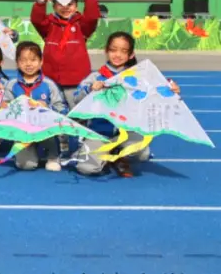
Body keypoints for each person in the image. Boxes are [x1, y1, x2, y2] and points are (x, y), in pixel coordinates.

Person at [74, 32, 181, 178]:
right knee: (87, 168)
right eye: (113, 50)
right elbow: (77, 98)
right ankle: (104, 154)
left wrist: (172, 90)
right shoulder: (96, 77)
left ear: (131, 55)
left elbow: (157, 89)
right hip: (100, 133)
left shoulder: (137, 78)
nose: (117, 55)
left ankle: (120, 154)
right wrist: (90, 89)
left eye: (123, 51)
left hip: (127, 132)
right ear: (106, 51)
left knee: (142, 154)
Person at [31, 0, 100, 110]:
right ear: (54, 6)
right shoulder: (49, 25)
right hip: (52, 81)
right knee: (53, 112)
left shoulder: (81, 25)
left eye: (70, 4)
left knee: (76, 113)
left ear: (76, 6)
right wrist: (42, 0)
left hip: (76, 82)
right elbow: (37, 20)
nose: (65, 7)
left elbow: (92, 17)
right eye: (60, 4)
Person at [5, 41, 66, 172]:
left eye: (33, 60)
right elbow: (5, 109)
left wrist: (47, 107)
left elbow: (62, 109)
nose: (28, 64)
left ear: (41, 61)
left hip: (44, 128)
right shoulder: (12, 84)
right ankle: (27, 150)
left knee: (49, 131)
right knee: (26, 165)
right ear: (17, 62)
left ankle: (53, 156)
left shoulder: (49, 84)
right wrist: (11, 106)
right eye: (23, 60)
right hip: (22, 130)